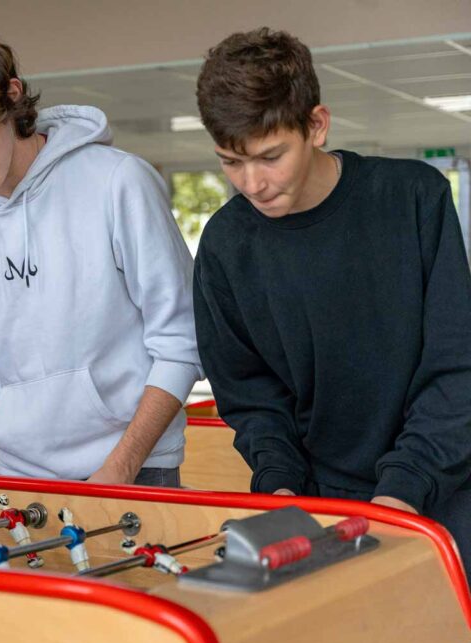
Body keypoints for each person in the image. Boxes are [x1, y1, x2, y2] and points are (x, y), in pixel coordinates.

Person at [192, 28, 471, 581]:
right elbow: (251, 396)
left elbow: (456, 369)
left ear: (316, 125)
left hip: (438, 494)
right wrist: (279, 486)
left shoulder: (414, 197)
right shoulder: (225, 244)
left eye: (270, 157)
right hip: (318, 507)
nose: (252, 183)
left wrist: (402, 490)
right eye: (231, 162)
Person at [0, 28, 202, 486]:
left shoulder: (118, 183)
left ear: (11, 95)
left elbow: (181, 340)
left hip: (134, 470)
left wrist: (120, 467)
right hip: (17, 473)